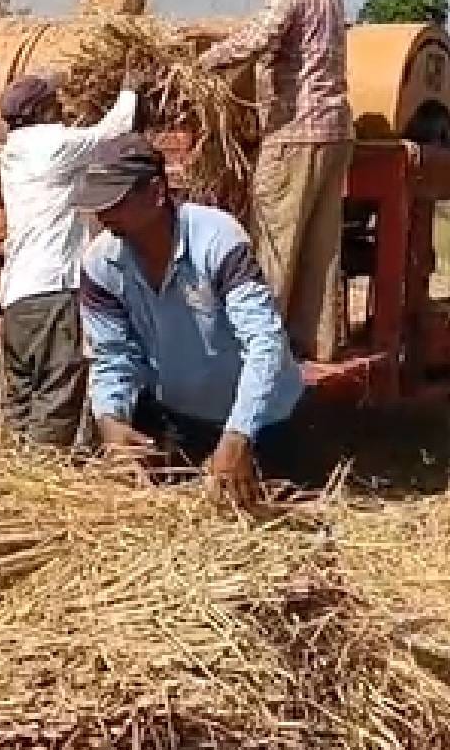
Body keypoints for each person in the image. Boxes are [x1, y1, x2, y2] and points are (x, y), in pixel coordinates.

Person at [78, 134, 303, 504]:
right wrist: (111, 422)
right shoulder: (100, 264)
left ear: (155, 192)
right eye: (98, 205)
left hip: (264, 423)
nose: (103, 216)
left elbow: (264, 343)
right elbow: (112, 355)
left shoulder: (217, 239)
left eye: (115, 202)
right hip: (183, 421)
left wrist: (238, 435)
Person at [201, 0, 353, 362]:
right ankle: (314, 342)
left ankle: (259, 348)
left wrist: (202, 62)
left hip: (294, 132)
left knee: (275, 240)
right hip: (336, 131)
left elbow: (257, 39)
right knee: (321, 247)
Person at [0, 73, 137, 447]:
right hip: (52, 289)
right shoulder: (52, 145)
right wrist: (129, 89)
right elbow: (114, 132)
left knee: (22, 394)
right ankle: (40, 476)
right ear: (42, 110)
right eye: (54, 103)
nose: (61, 108)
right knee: (57, 391)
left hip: (17, 296)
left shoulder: (13, 149)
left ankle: (12, 467)